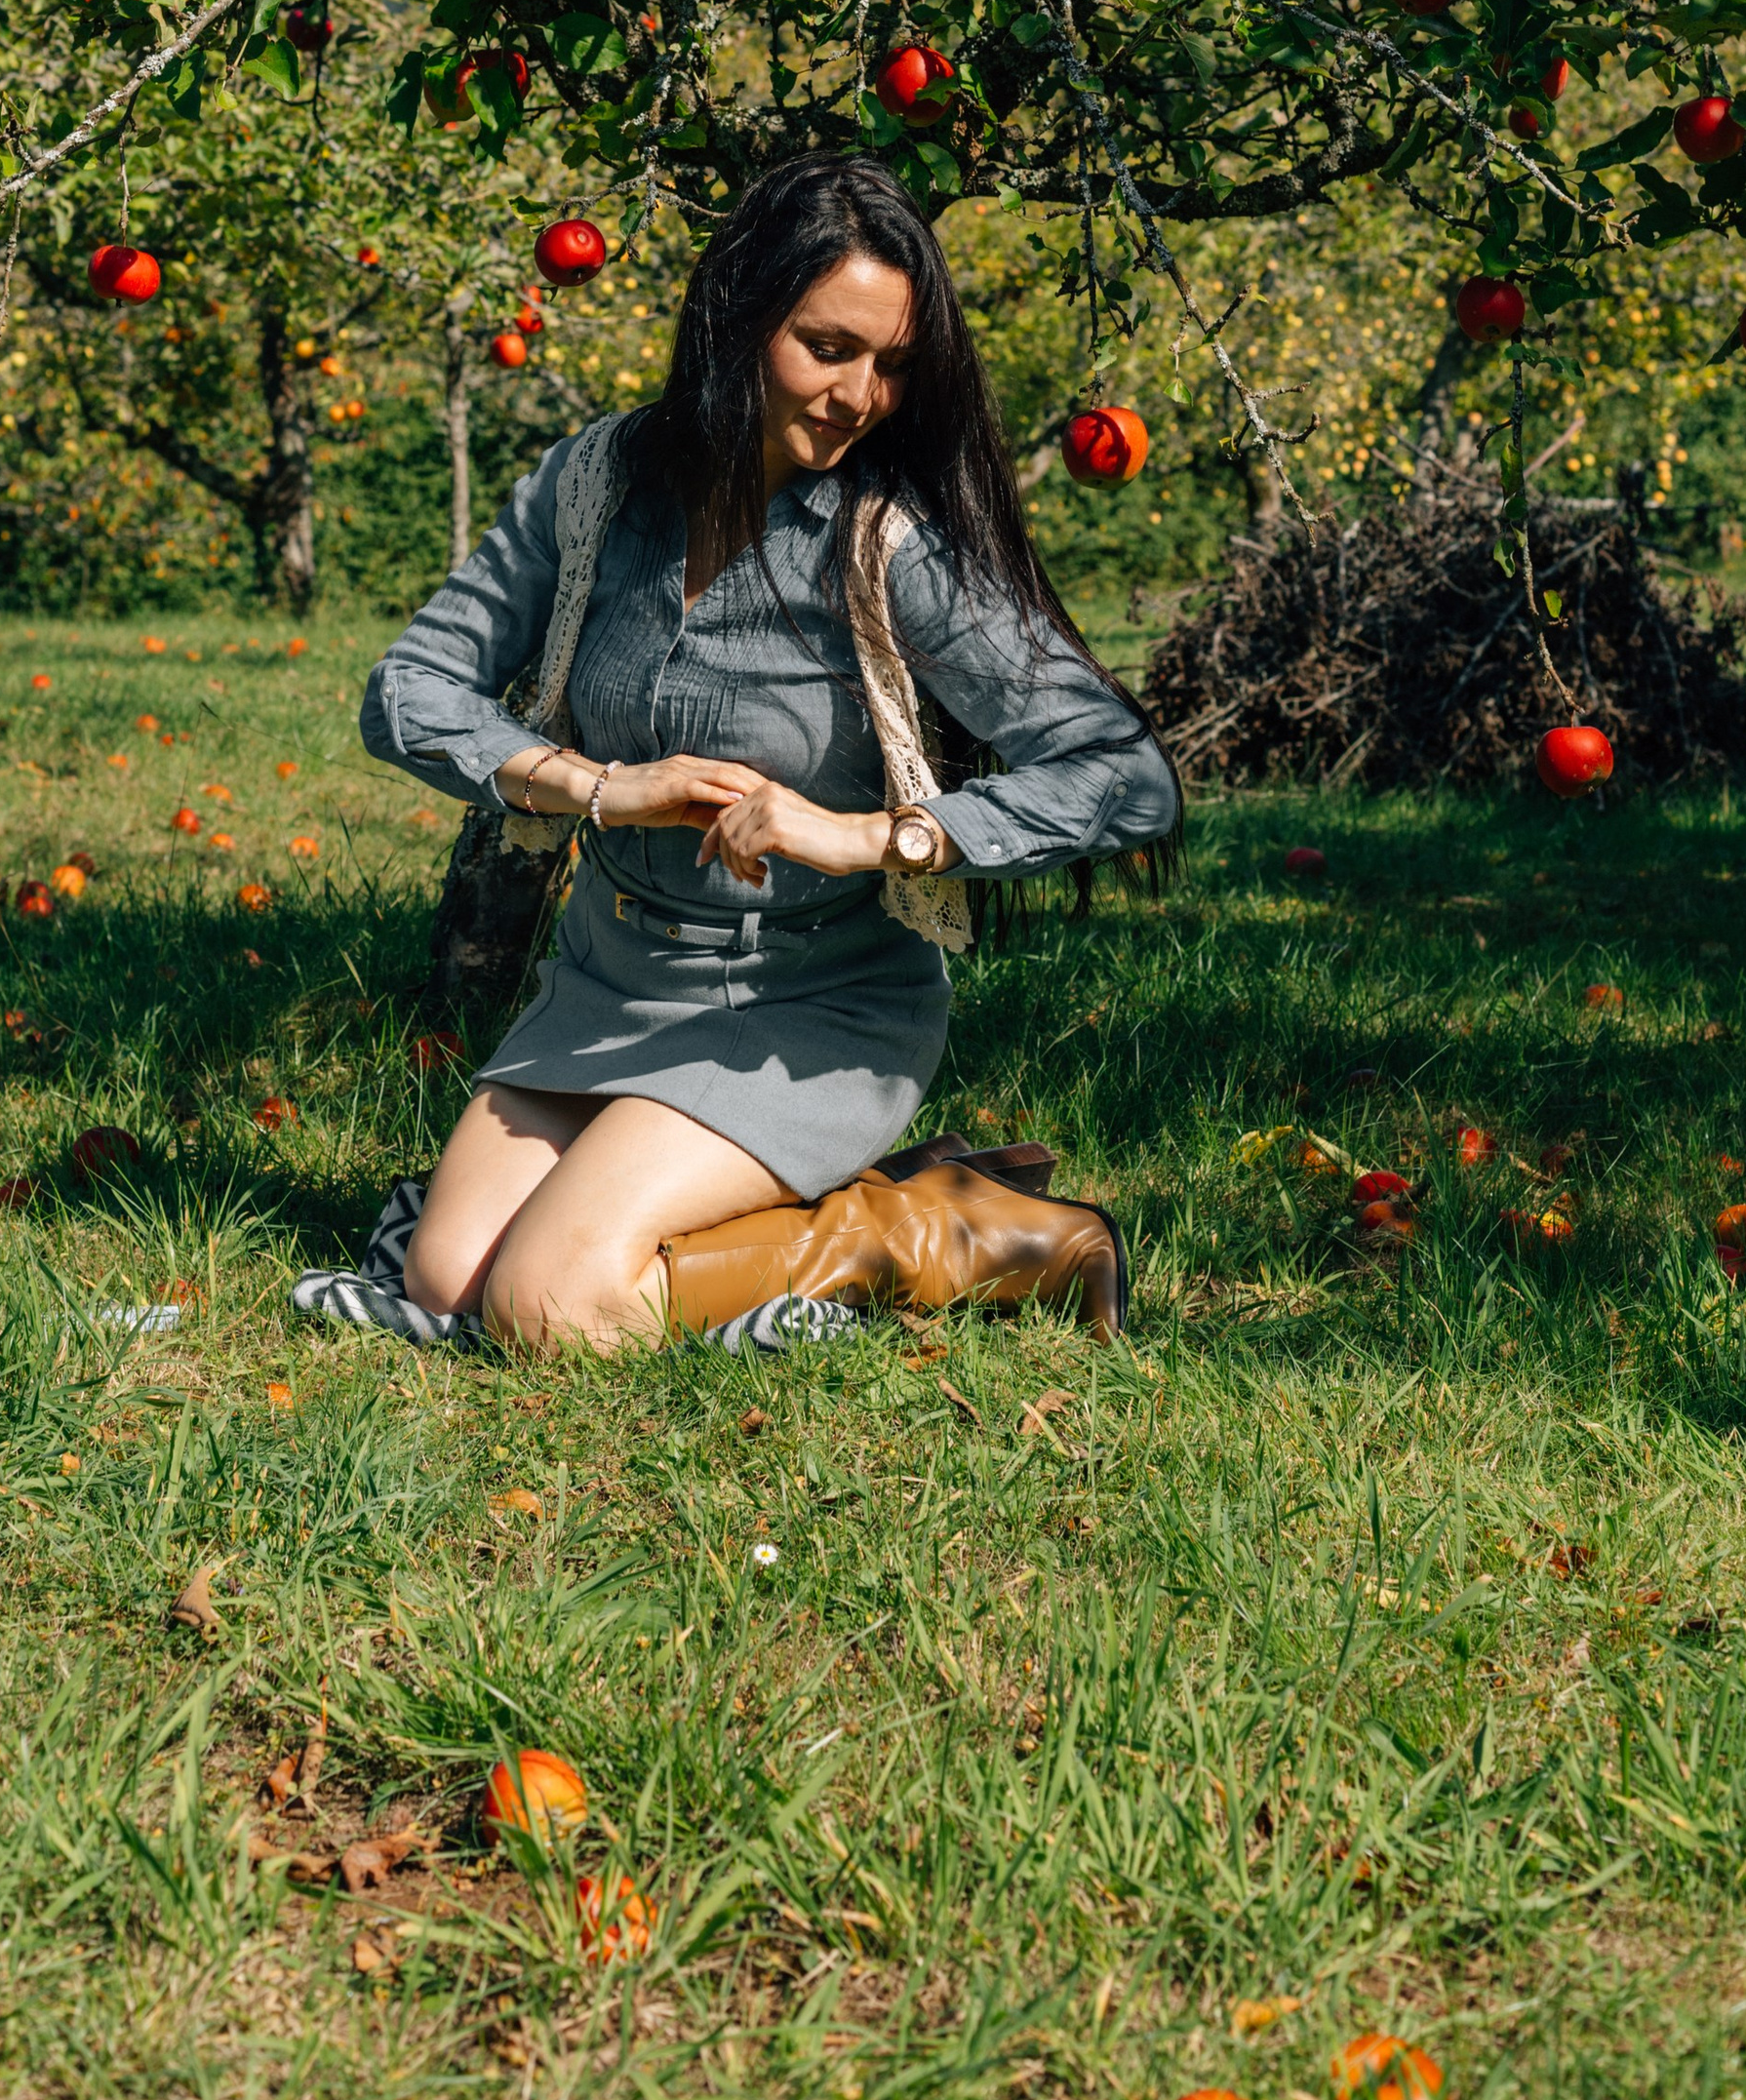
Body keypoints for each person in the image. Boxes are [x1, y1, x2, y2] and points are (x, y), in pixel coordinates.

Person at [304, 151, 1179, 1356]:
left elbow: (1126, 775)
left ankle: (938, 1229)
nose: (860, 396)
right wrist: (597, 788)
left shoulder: (889, 541)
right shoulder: (594, 487)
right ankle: (724, 1212)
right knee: (450, 1280)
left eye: (894, 366)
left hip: (805, 1000)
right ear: (734, 320)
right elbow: (406, 690)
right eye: (829, 348)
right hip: (609, 982)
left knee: (553, 1310)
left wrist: (879, 835)